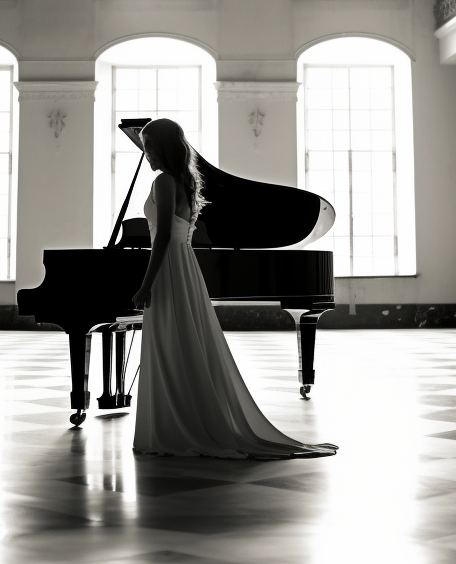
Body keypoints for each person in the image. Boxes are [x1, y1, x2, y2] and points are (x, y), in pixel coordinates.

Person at [131, 117, 337, 460]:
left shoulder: (163, 181)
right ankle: (183, 420)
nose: (146, 153)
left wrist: (145, 284)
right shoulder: (181, 181)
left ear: (162, 147)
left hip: (168, 268)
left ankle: (176, 426)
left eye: (149, 146)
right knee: (183, 342)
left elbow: (163, 236)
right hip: (184, 267)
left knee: (174, 342)